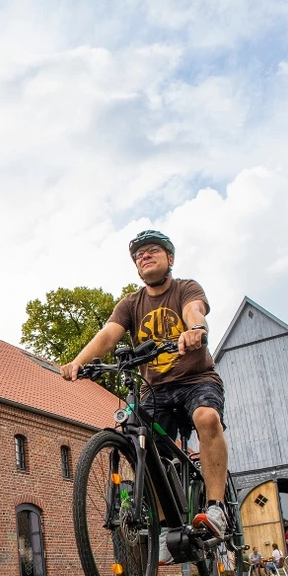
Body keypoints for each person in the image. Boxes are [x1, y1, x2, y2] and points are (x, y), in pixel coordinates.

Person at [60, 230, 230, 540]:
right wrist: (78, 362)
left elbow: (196, 311)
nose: (145, 256)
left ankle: (216, 506)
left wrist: (194, 329)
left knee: (206, 417)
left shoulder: (185, 289)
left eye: (152, 251)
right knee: (141, 444)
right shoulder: (130, 304)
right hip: (157, 389)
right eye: (139, 255)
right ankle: (166, 528)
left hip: (196, 379)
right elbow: (108, 336)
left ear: (170, 258)